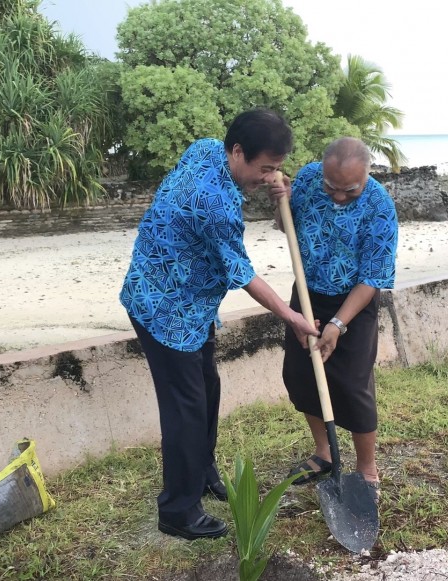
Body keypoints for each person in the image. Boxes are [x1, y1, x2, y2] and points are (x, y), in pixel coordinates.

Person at [120, 109, 318, 541]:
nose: (269, 176)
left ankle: (203, 470)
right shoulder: (215, 205)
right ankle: (178, 509)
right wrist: (293, 318)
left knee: (206, 390)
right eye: (264, 169)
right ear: (238, 151)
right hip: (163, 307)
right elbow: (241, 273)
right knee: (185, 410)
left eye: (277, 168)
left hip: (191, 302)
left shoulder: (208, 147)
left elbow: (238, 185)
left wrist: (274, 184)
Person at [273, 137, 398, 498]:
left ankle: (367, 470)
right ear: (322, 170)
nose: (338, 196)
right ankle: (324, 453)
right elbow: (288, 228)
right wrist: (278, 203)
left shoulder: (379, 207)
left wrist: (338, 324)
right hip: (308, 296)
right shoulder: (311, 179)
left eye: (349, 190)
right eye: (332, 187)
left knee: (352, 384)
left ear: (367, 175)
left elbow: (373, 279)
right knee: (299, 374)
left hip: (353, 304)